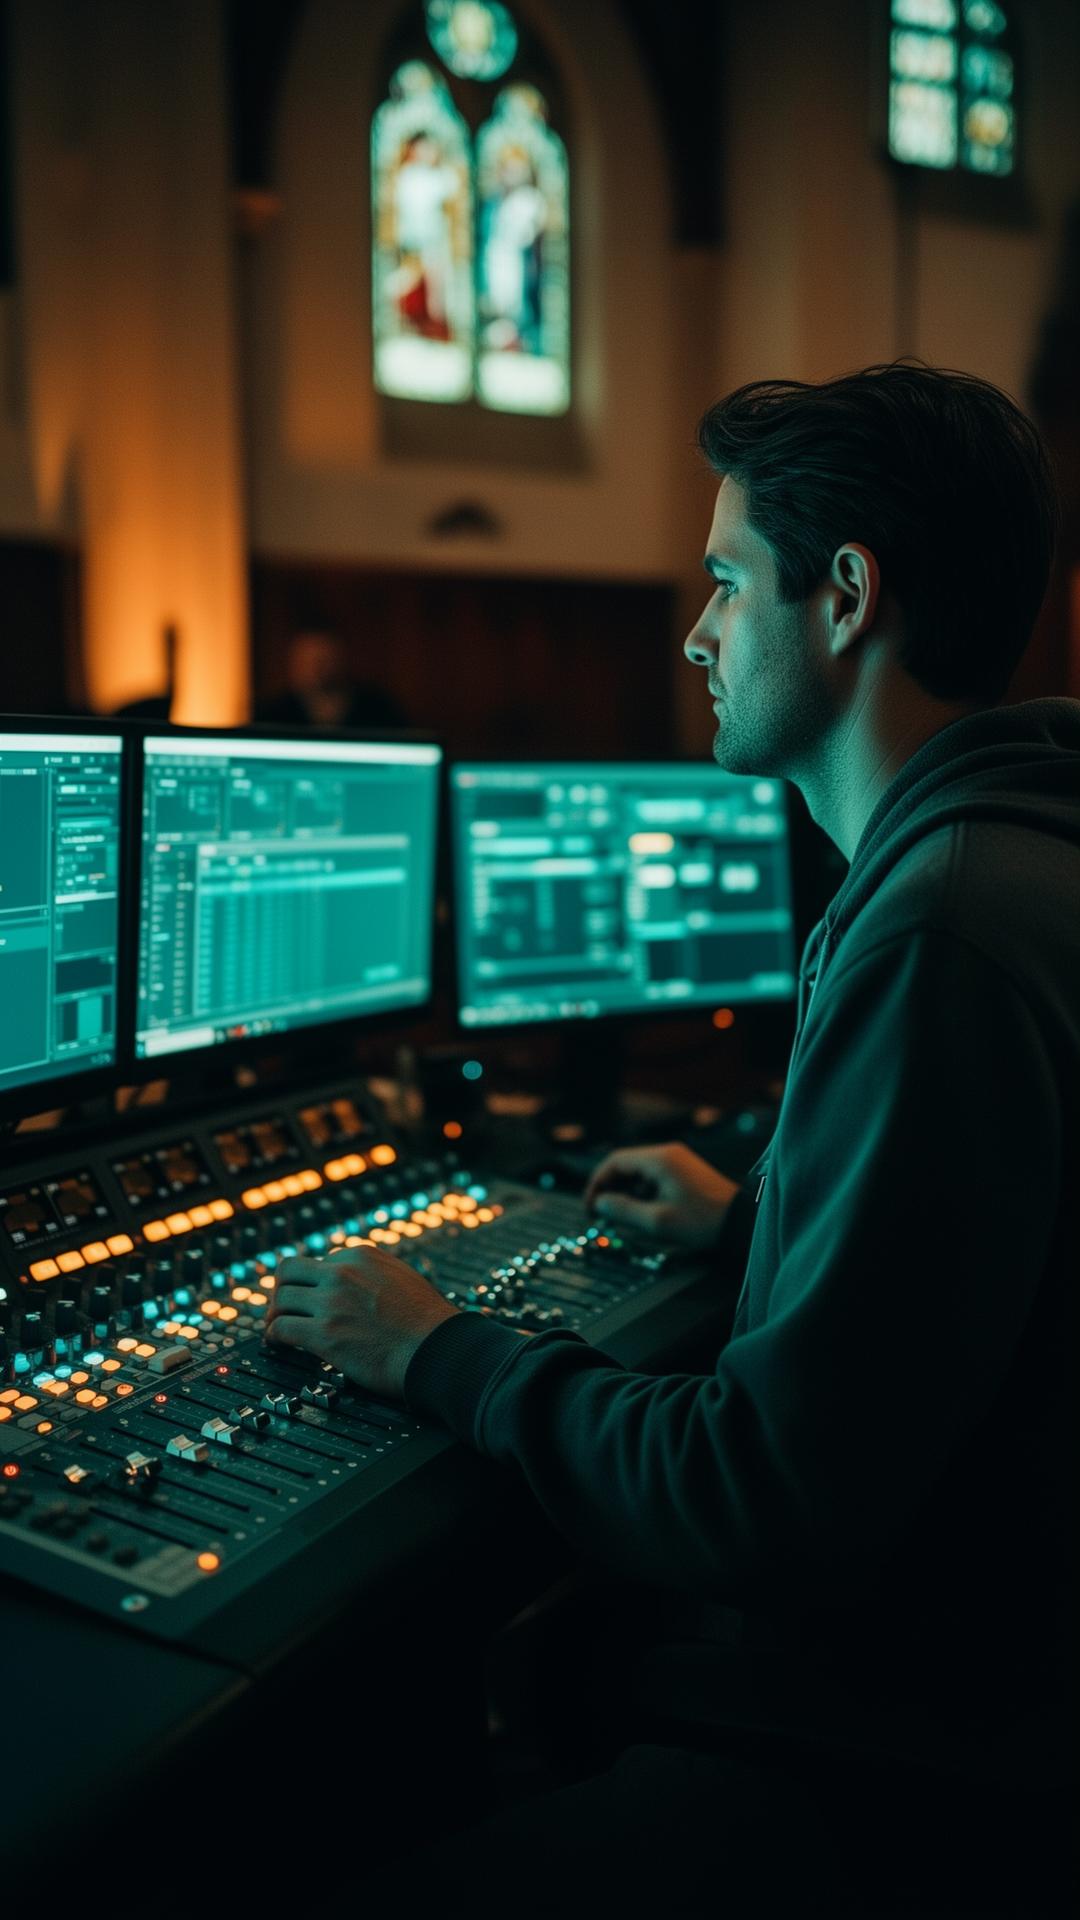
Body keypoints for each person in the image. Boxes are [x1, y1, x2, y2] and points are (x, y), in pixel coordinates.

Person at [266, 363, 1077, 1913]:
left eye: (721, 582)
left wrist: (446, 1351)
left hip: (917, 1772)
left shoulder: (943, 931)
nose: (697, 635)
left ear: (843, 597)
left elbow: (755, 1497)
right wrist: (756, 1221)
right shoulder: (1009, 854)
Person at [253, 628, 408, 732]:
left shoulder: (378, 707)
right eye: (306, 661)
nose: (315, 670)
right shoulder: (272, 713)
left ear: (341, 659)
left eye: (323, 660)